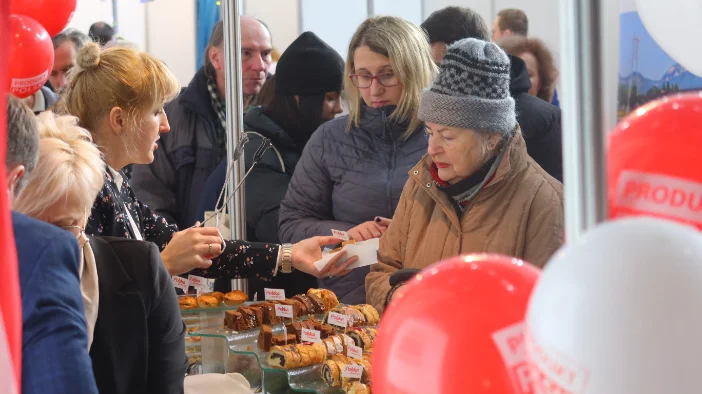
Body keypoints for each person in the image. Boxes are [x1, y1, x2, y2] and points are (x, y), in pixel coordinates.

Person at [59, 42, 354, 281]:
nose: (165, 124)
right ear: (119, 119)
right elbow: (85, 298)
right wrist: (164, 264)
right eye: (156, 111)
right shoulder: (80, 197)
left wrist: (287, 255)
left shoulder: (114, 183)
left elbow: (195, 251)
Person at [365, 38, 564, 313]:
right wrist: (397, 295)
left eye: (448, 136)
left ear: (492, 136)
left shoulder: (546, 202)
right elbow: (381, 271)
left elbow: (550, 311)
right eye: (430, 132)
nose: (432, 149)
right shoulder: (420, 183)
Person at [14, 111, 186, 394]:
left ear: (86, 213)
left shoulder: (142, 272)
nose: (49, 245)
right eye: (33, 228)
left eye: (63, 228)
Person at [278, 16, 438, 304]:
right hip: (348, 304)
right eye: (363, 76)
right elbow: (291, 223)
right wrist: (345, 233)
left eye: (388, 75)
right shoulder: (330, 138)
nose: (374, 90)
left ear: (415, 72)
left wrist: (409, 233)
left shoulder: (440, 137)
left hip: (427, 297)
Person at [198, 31, 345, 297]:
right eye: (330, 98)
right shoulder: (257, 149)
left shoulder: (304, 143)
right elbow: (280, 226)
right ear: (300, 99)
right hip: (268, 296)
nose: (338, 109)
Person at [130, 17, 273, 230]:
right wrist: (175, 248)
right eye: (245, 53)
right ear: (215, 57)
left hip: (260, 254)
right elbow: (150, 196)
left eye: (265, 54)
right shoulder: (174, 115)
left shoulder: (275, 115)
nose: (259, 66)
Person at [6, 94, 98, 393]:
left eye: (64, 226)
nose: (49, 234)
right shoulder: (38, 250)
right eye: (34, 220)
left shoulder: (135, 271)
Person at [422, 6, 562, 181]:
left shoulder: (541, 119)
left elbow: (552, 197)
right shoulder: (430, 114)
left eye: (440, 67)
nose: (432, 77)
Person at [499, 35, 559, 104]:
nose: (520, 81)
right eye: (513, 74)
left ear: (541, 81)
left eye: (528, 74)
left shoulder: (552, 114)